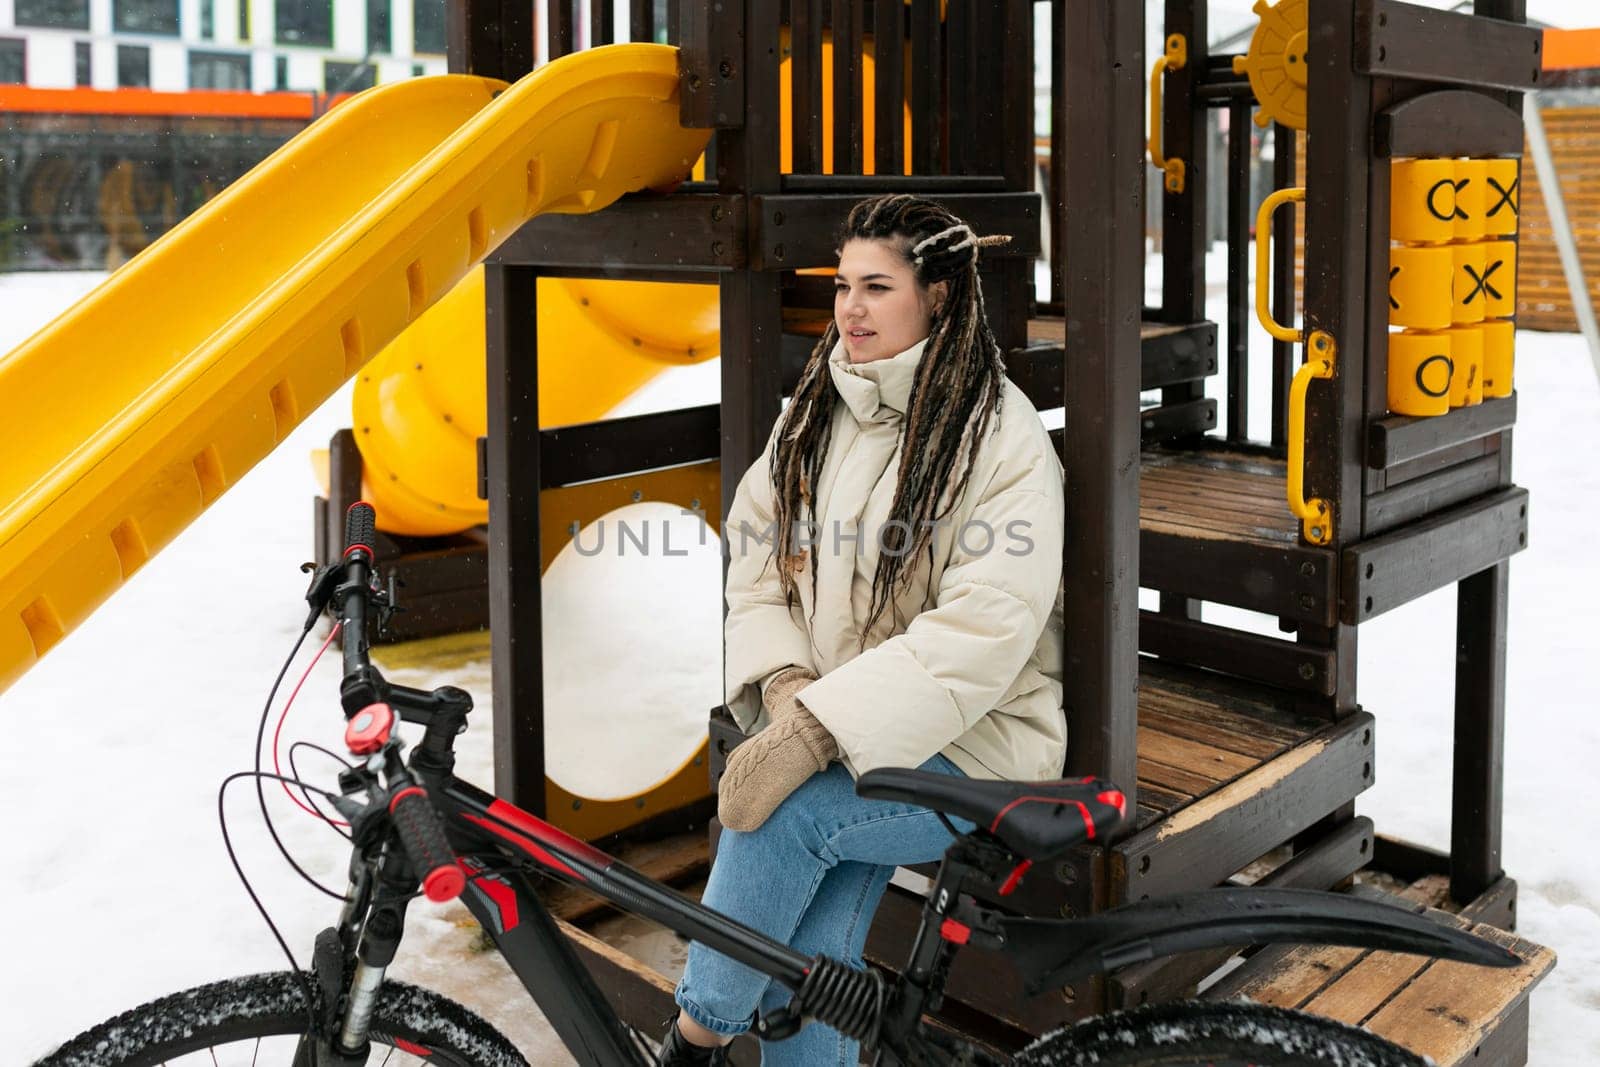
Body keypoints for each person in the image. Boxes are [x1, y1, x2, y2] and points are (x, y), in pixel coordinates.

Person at [658, 193, 1067, 1066]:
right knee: (802, 962)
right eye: (843, 284)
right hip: (854, 730)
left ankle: (691, 1041)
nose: (850, 308)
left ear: (942, 296)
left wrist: (814, 731)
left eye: (877, 287)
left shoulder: (1002, 439)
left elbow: (981, 632)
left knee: (782, 814)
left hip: (976, 746)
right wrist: (784, 687)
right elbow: (756, 551)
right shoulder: (819, 409)